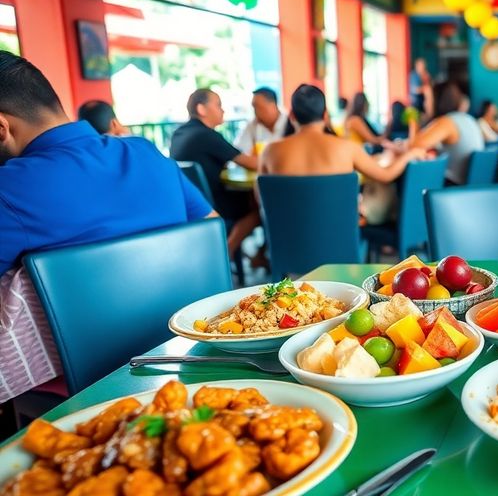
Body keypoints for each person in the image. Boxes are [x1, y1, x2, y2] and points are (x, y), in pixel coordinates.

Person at [0, 51, 213, 402]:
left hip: (84, 385)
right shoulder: (146, 152)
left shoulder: (9, 188)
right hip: (187, 353)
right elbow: (210, 227)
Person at [261, 85, 422, 180]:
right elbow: (385, 175)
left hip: (287, 229)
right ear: (325, 115)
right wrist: (410, 154)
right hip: (338, 229)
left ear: (291, 116)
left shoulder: (269, 152)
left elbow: (262, 200)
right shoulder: (347, 148)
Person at [169, 88, 259, 256]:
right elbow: (251, 164)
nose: (222, 110)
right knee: (258, 208)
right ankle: (225, 253)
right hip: (212, 207)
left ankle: (252, 256)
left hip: (188, 205)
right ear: (201, 109)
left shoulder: (178, 134)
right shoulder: (206, 135)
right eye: (218, 105)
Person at [408, 82, 485, 184]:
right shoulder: (467, 118)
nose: (425, 104)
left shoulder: (446, 122)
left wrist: (412, 120)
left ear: (437, 100)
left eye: (427, 99)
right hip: (472, 187)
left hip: (452, 187)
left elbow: (413, 146)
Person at [234, 87, 288, 156]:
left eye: (258, 107)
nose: (255, 112)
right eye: (254, 108)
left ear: (273, 105)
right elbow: (240, 151)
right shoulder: (253, 125)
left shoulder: (290, 123)